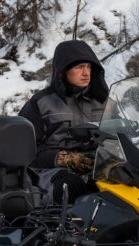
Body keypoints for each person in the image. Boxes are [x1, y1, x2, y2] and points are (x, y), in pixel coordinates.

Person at [18, 39, 109, 204]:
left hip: (96, 166)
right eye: (79, 67)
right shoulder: (41, 103)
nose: (86, 73)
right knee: (70, 185)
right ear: (63, 70)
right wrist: (63, 158)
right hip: (50, 171)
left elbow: (122, 134)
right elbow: (23, 150)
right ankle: (67, 228)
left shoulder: (102, 100)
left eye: (89, 67)